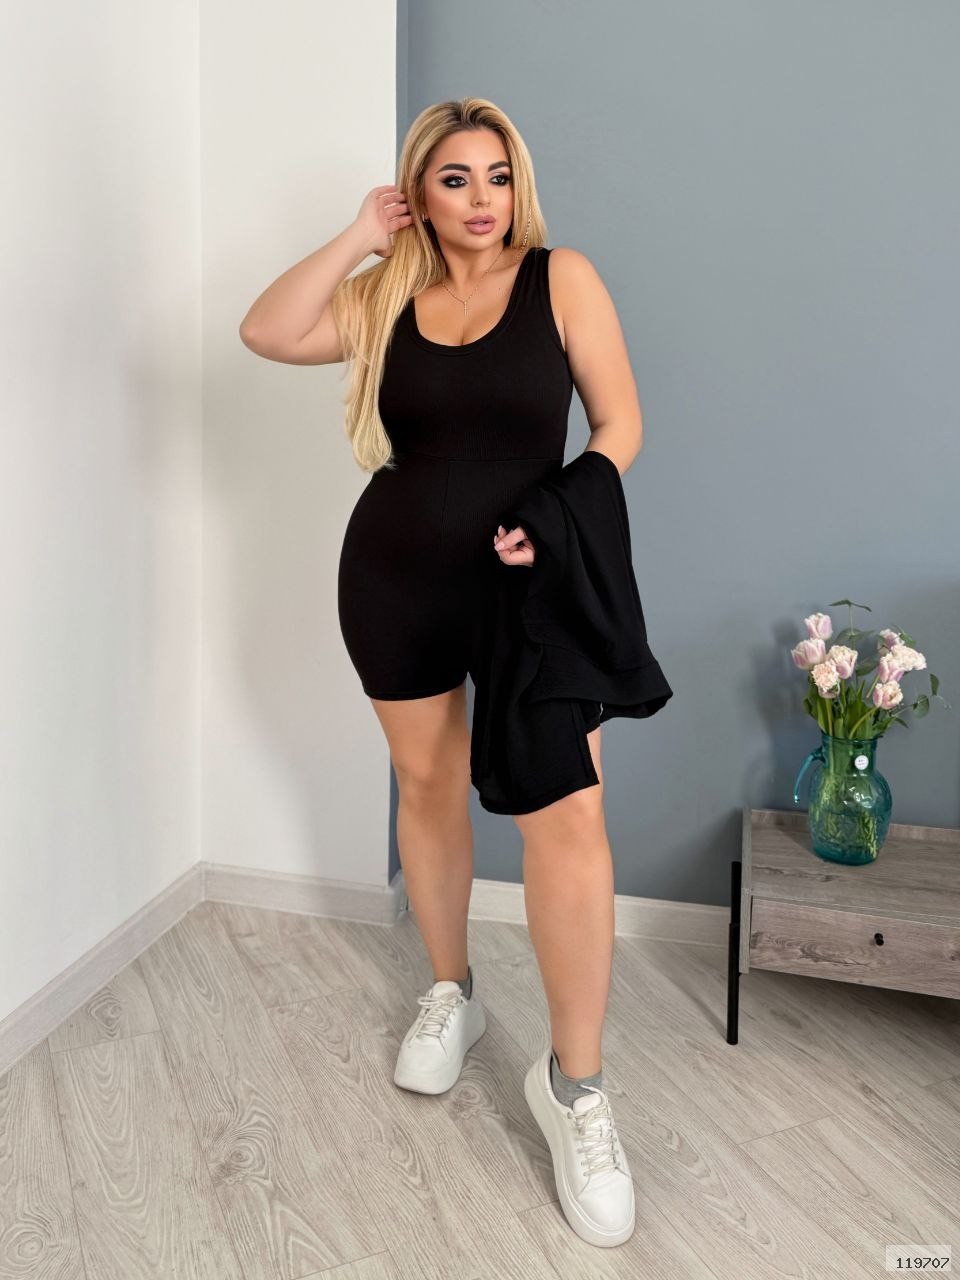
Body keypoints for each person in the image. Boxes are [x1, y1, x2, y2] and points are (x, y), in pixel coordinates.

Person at [239, 96, 648, 1248]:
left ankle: (575, 1087)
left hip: (534, 586)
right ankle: (452, 991)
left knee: (569, 814)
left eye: (497, 176)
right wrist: (354, 238)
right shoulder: (385, 294)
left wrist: (552, 521)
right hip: (397, 577)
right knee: (426, 785)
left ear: (520, 187)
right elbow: (267, 330)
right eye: (455, 178)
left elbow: (618, 426)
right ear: (418, 192)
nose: (481, 199)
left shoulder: (562, 280)